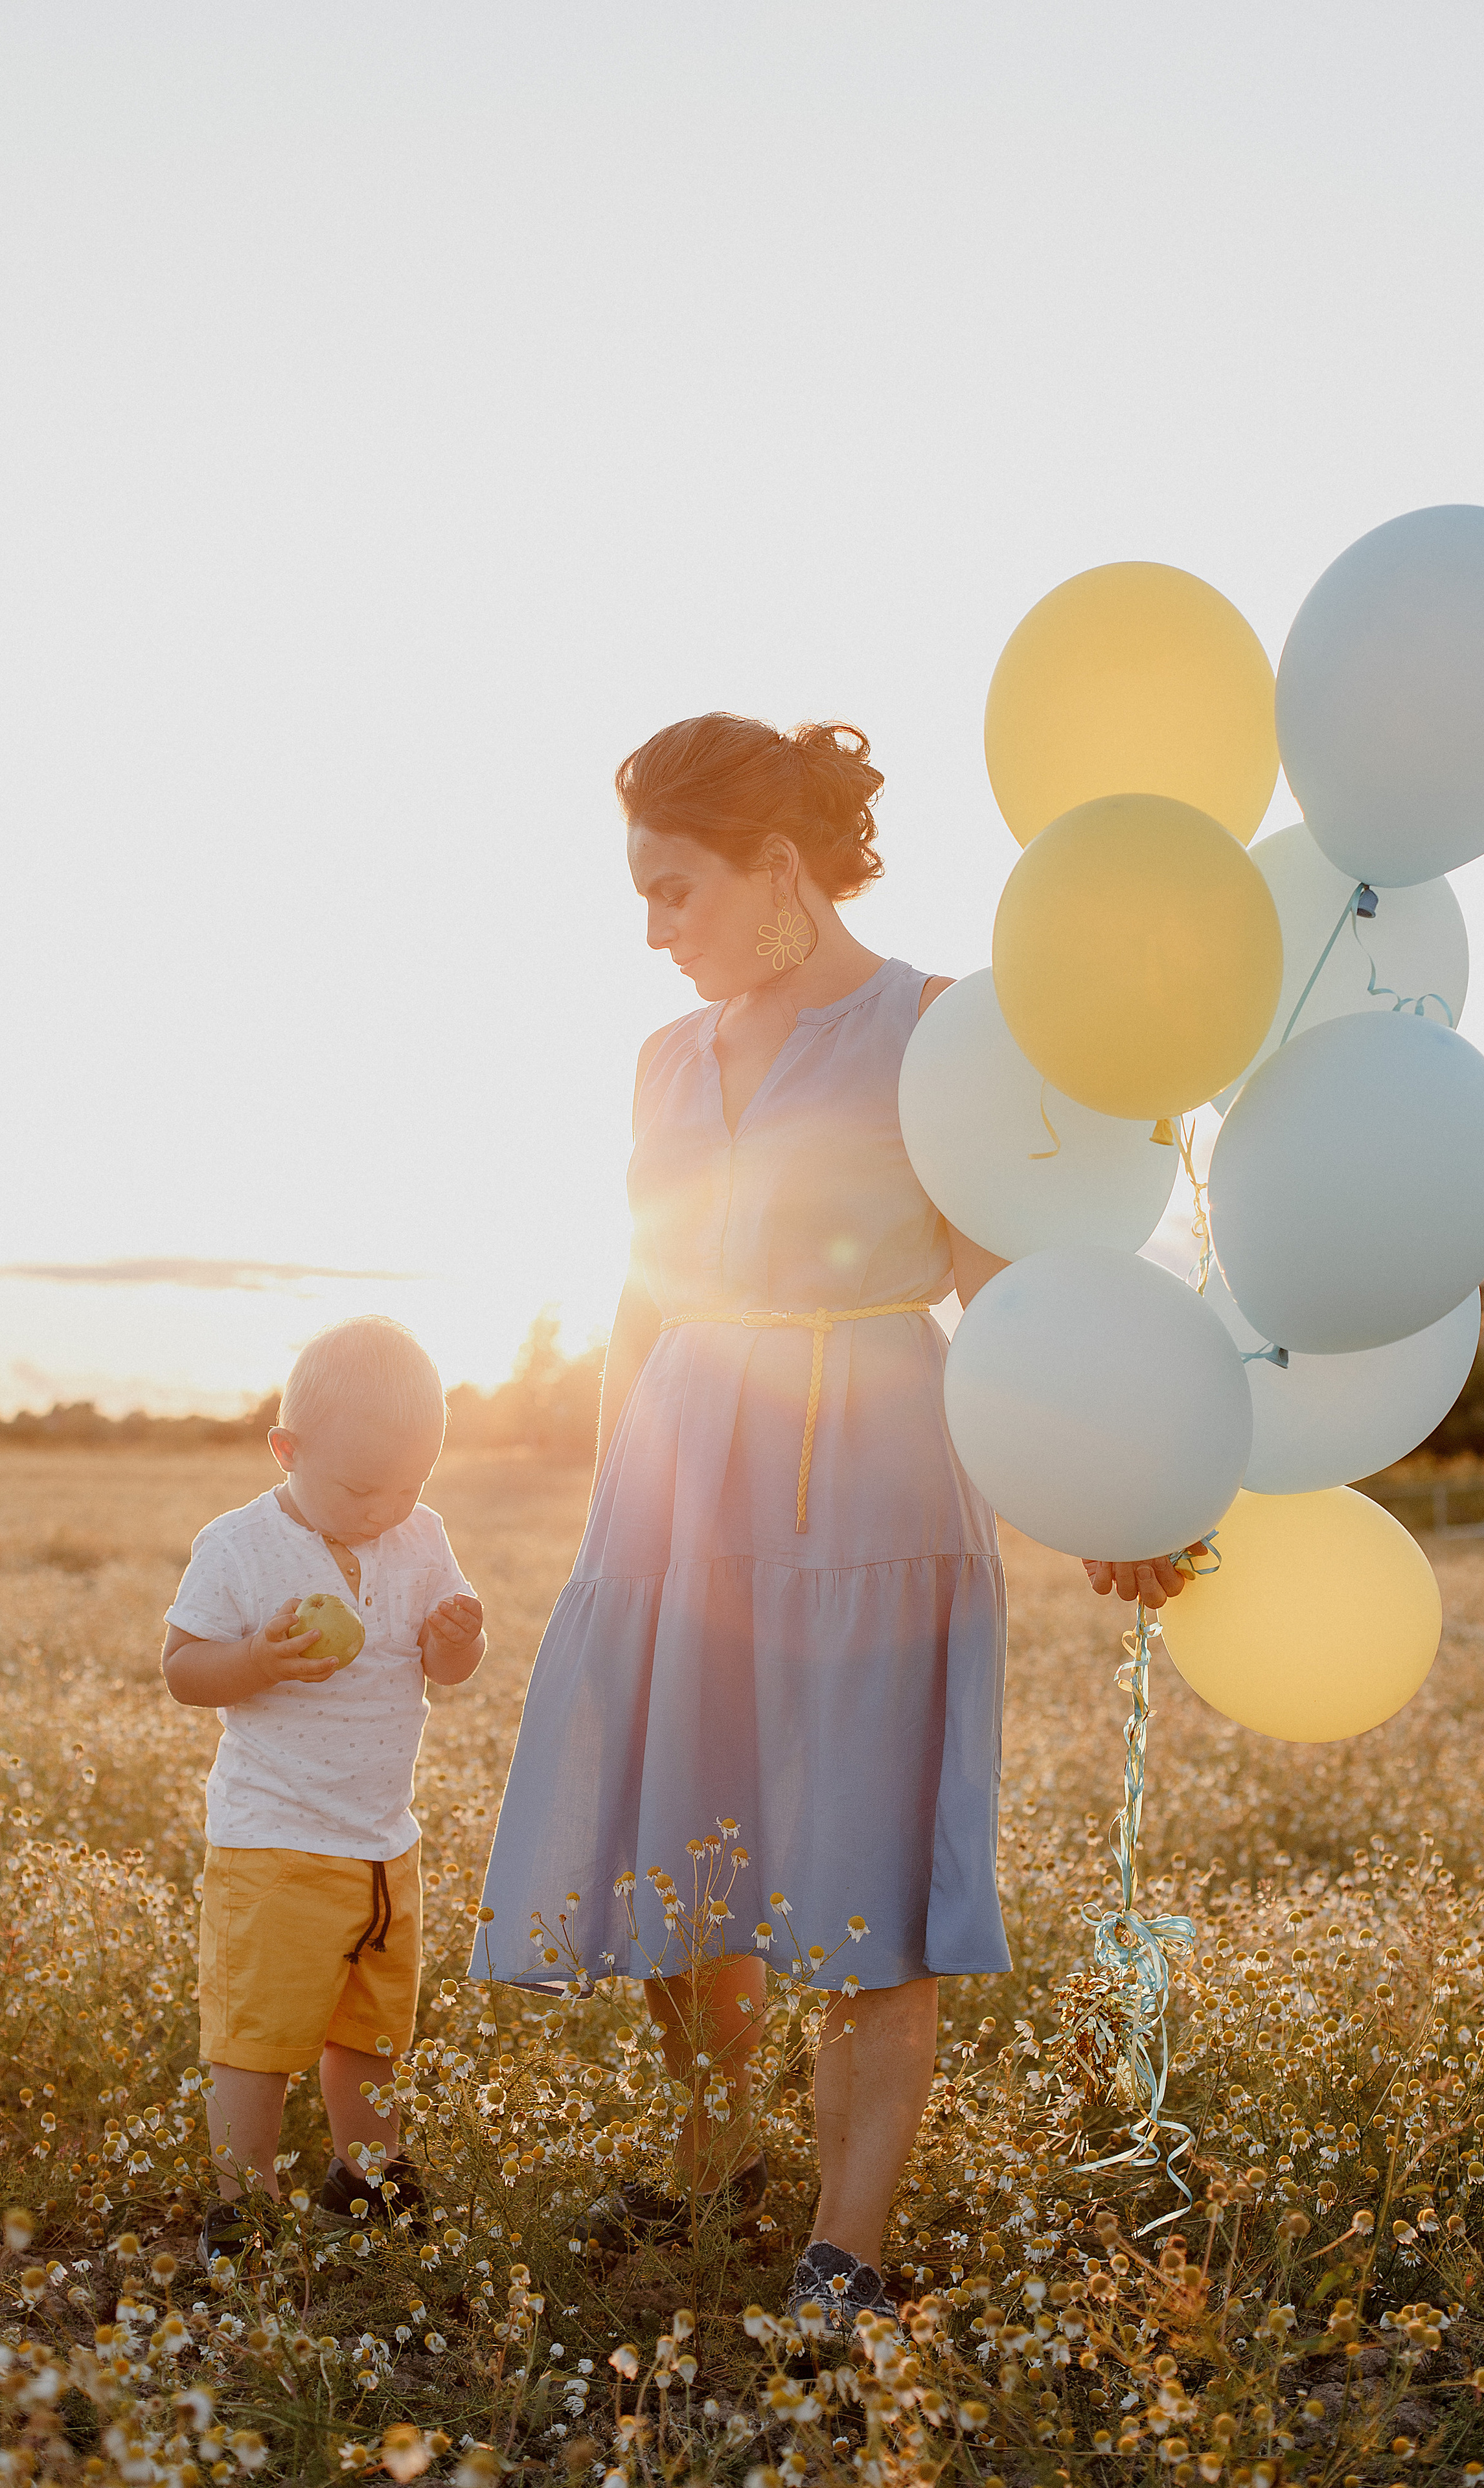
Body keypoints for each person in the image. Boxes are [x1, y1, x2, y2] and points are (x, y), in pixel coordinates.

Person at [474, 711, 1037, 2335]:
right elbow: (637, 1301)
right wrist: (609, 1528)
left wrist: (1100, 1497)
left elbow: (1004, 1304)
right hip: (674, 1485)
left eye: (672, 891)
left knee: (866, 1894)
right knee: (678, 1841)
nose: (651, 931)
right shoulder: (661, 1059)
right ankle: (718, 2149)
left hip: (873, 1484)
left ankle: (842, 2251)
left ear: (774, 870)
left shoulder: (937, 1028)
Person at [161, 1315, 486, 2266]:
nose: (387, 1505)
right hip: (275, 1841)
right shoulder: (238, 1546)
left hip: (385, 1842)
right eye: (359, 1485)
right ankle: (244, 2199)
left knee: (371, 2032)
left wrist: (457, 1638)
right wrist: (258, 1658)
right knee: (259, 2037)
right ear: (286, 1449)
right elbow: (184, 1669)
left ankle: (368, 2177)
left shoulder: (421, 1537)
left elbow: (446, 1664)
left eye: (411, 1483)